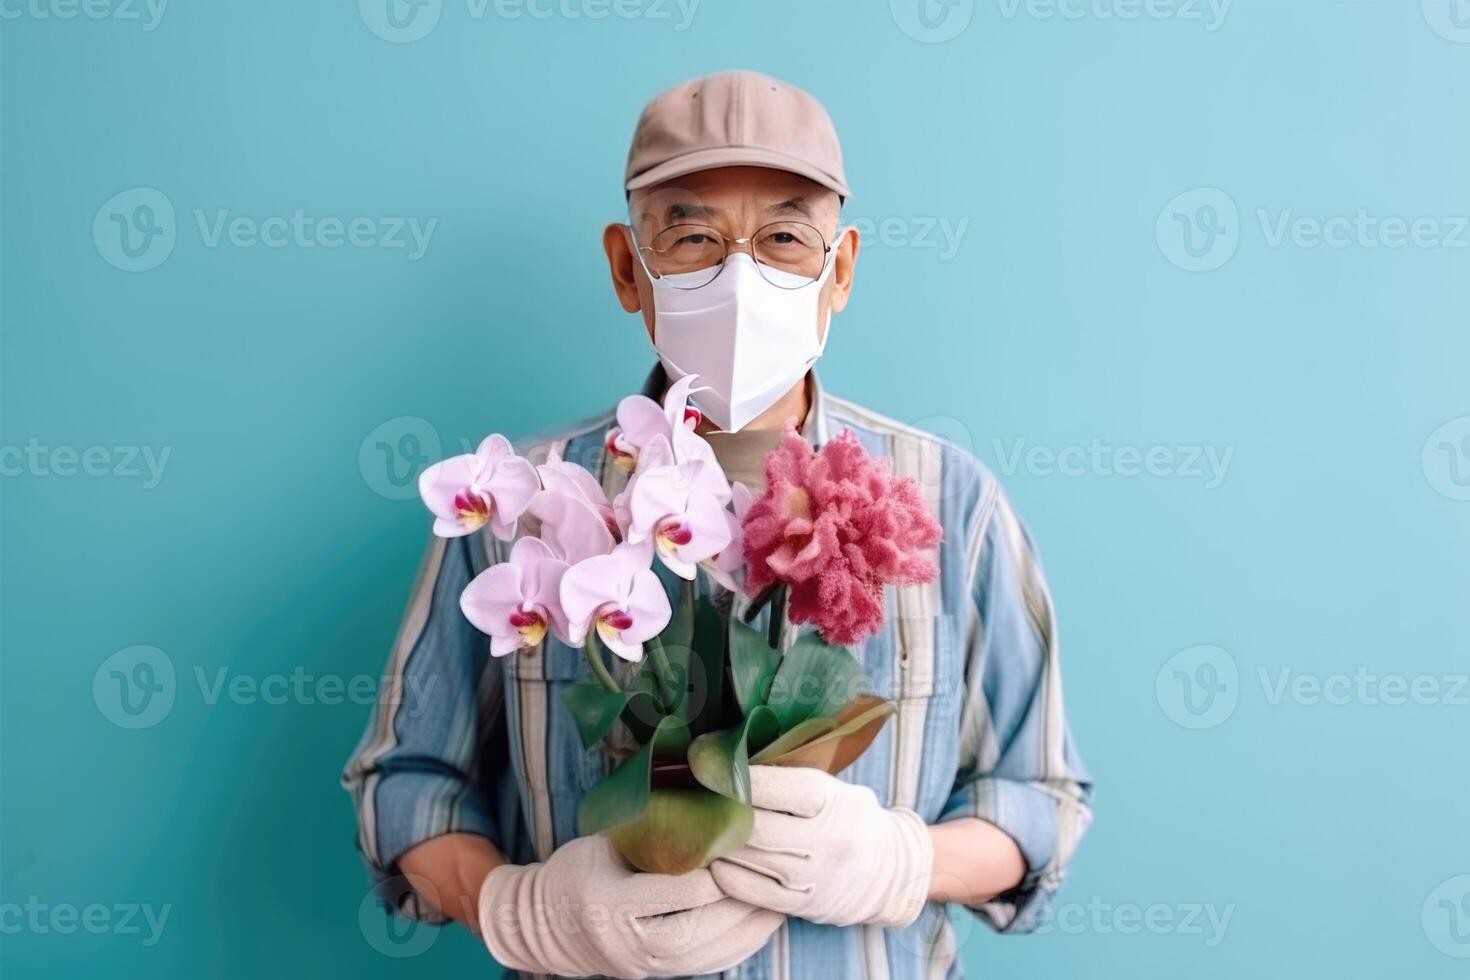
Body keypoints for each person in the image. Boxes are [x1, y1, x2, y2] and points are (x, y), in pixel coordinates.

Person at [343, 69, 1093, 979]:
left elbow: (1042, 801)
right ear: (628, 266)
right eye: (693, 236)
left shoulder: (949, 507)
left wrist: (905, 864)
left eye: (784, 237)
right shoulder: (526, 503)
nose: (741, 275)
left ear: (841, 268)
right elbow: (404, 781)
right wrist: (519, 908)